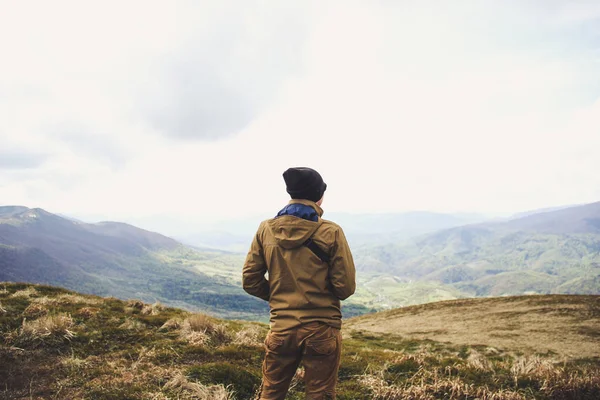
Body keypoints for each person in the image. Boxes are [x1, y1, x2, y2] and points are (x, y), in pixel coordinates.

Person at [243, 167, 356, 400]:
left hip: (281, 329)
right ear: (319, 195)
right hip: (322, 329)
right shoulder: (331, 232)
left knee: (271, 393)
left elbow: (250, 280)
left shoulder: (266, 229)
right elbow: (345, 288)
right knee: (319, 394)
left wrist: (279, 296)